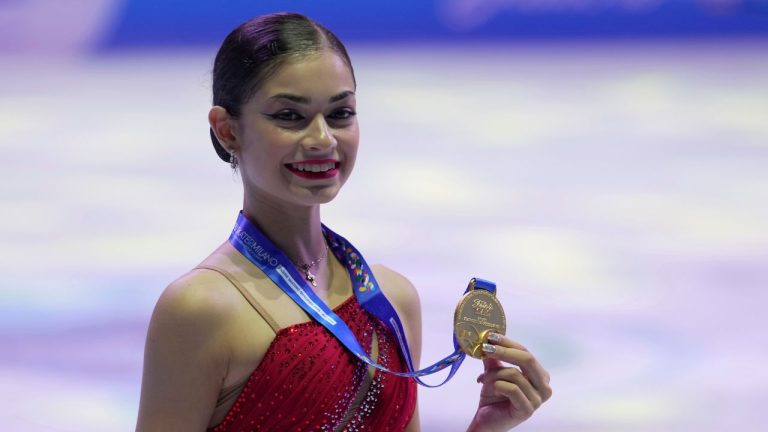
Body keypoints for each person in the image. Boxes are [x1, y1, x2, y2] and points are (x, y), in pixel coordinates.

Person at [136, 12, 552, 432]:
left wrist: (487, 427)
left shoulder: (392, 300)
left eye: (340, 113)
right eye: (289, 116)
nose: (322, 139)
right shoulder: (199, 310)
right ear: (227, 131)